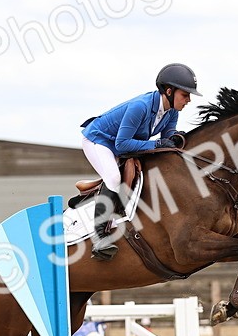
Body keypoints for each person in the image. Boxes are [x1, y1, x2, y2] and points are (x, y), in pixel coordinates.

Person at [79, 63, 201, 260]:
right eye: (185, 95)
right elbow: (122, 144)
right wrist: (158, 143)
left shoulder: (172, 111)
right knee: (113, 178)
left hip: (121, 142)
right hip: (99, 140)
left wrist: (176, 138)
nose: (188, 100)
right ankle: (99, 237)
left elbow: (167, 135)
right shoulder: (141, 107)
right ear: (169, 91)